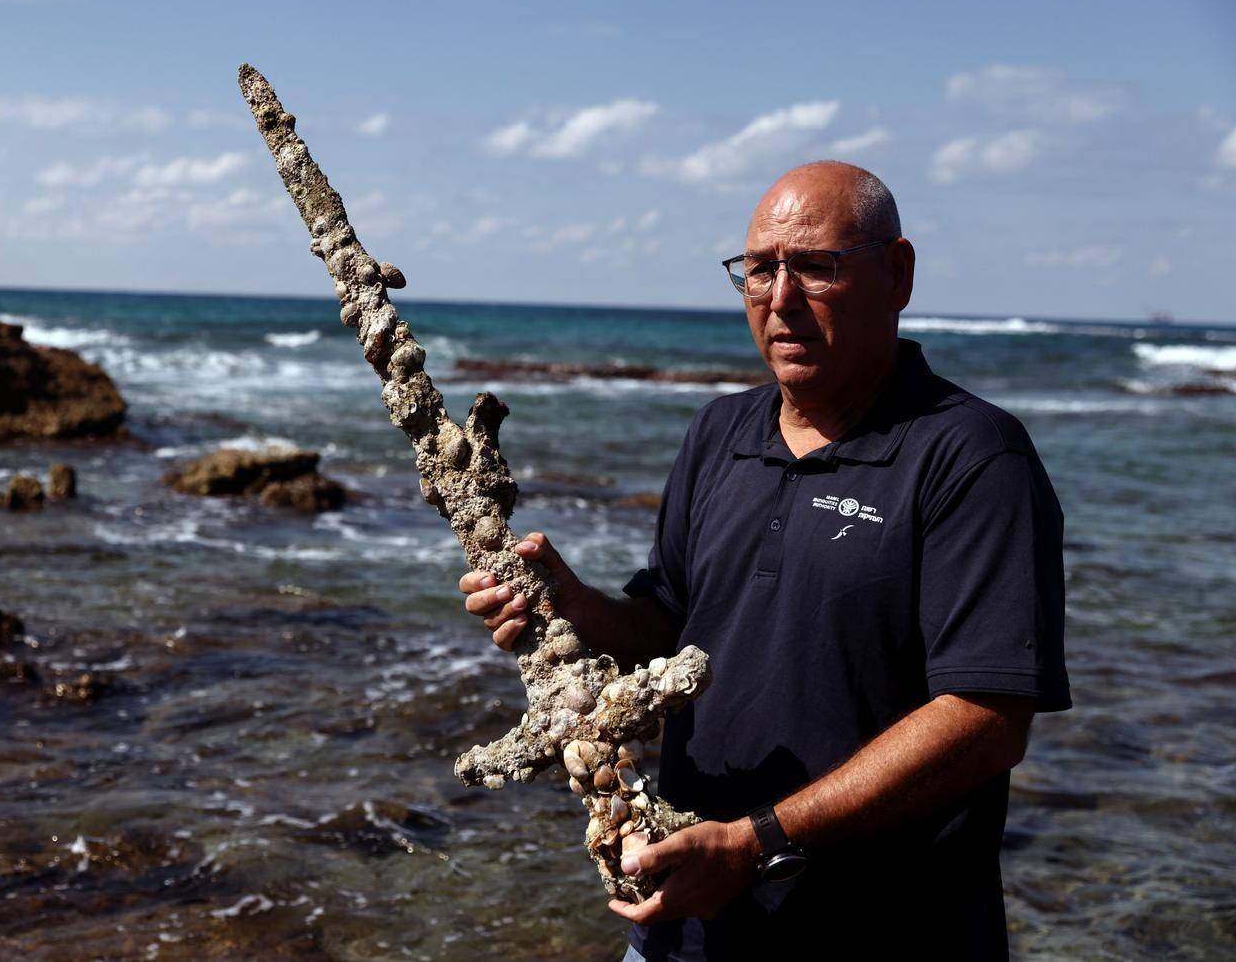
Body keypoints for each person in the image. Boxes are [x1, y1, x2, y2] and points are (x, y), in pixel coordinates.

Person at [458, 161, 1071, 960]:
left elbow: (987, 719)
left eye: (816, 267)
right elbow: (669, 626)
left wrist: (757, 843)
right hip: (684, 928)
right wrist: (572, 606)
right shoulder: (719, 434)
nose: (779, 298)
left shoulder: (972, 456)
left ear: (898, 273)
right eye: (758, 269)